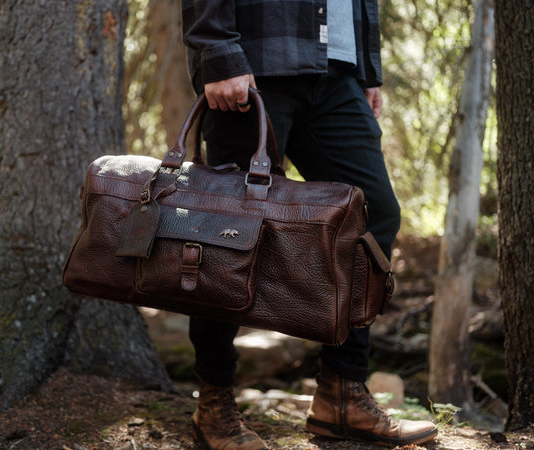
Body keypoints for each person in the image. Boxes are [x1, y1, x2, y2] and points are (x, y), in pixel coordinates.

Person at [180, 1, 438, 449]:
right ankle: (214, 400)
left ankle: (343, 393)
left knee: (372, 213)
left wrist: (367, 68)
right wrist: (217, 51)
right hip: (256, 63)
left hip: (337, 70)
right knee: (226, 230)